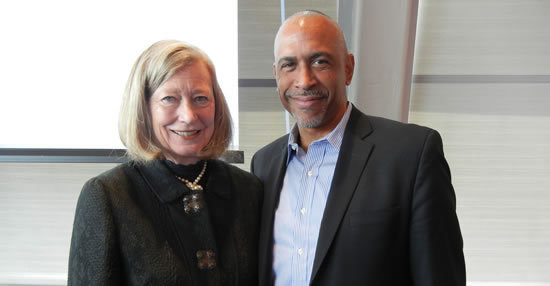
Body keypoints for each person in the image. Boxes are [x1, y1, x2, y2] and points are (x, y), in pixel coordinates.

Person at [251, 11, 466, 286]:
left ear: (348, 68)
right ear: (276, 75)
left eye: (319, 61)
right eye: (289, 65)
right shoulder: (263, 165)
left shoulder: (412, 156)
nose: (304, 81)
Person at [68, 40, 262, 285]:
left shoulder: (249, 190)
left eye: (201, 98)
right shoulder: (108, 196)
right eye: (170, 99)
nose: (189, 116)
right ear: (144, 108)